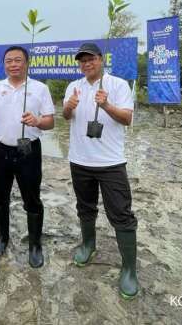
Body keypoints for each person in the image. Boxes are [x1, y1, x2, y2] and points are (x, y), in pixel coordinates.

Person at [62, 42, 139, 299]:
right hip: (79, 160)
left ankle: (129, 269)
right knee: (85, 208)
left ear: (100, 59)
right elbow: (65, 117)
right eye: (82, 61)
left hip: (111, 163)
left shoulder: (118, 85)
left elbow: (127, 118)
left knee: (121, 214)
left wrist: (106, 105)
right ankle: (88, 244)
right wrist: (69, 106)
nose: (86, 64)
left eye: (90, 59)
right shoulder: (74, 86)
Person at [0, 46, 55, 268]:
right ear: (3, 64)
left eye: (18, 60)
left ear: (27, 63)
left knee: (32, 199)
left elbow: (51, 122)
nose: (13, 64)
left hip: (29, 151)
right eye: (9, 61)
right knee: (0, 197)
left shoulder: (40, 88)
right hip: (1, 150)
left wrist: (37, 121)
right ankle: (3, 238)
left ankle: (35, 245)